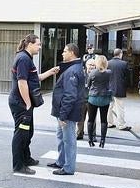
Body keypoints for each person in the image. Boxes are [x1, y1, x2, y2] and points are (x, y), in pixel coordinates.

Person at [9, 34, 59, 175]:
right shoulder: (24, 59)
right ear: (29, 44)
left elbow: (34, 78)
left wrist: (50, 72)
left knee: (28, 132)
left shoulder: (26, 58)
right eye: (38, 44)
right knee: (21, 133)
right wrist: (28, 103)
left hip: (23, 103)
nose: (40, 47)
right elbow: (22, 82)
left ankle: (26, 158)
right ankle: (19, 166)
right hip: (21, 103)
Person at [49, 43, 85, 175]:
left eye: (65, 51)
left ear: (72, 53)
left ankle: (68, 167)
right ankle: (61, 161)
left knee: (68, 140)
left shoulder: (73, 70)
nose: (62, 53)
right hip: (63, 111)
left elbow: (70, 95)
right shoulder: (72, 68)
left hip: (68, 112)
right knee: (61, 136)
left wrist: (63, 115)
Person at [86, 55, 113, 148]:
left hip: (93, 98)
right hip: (105, 98)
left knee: (91, 119)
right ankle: (102, 141)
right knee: (104, 120)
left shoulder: (93, 72)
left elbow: (88, 84)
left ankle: (90, 140)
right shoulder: (109, 72)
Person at [107, 48, 131, 131]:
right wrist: (128, 85)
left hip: (109, 88)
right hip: (119, 88)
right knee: (120, 107)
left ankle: (109, 123)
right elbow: (128, 77)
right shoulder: (124, 64)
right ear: (120, 54)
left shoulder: (108, 63)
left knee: (110, 106)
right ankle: (122, 125)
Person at [76, 58, 96, 140]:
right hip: (81, 99)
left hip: (92, 100)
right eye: (90, 64)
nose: (91, 66)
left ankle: (92, 136)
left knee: (92, 119)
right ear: (86, 65)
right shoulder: (81, 74)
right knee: (80, 119)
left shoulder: (96, 75)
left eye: (93, 65)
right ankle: (79, 133)